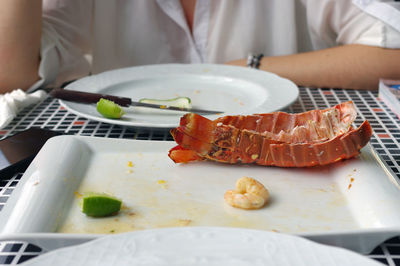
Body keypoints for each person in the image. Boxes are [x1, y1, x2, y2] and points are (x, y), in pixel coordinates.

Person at [0, 0, 400, 94]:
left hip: (275, 158)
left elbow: (393, 51)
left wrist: (251, 67)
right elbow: (11, 75)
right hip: (117, 159)